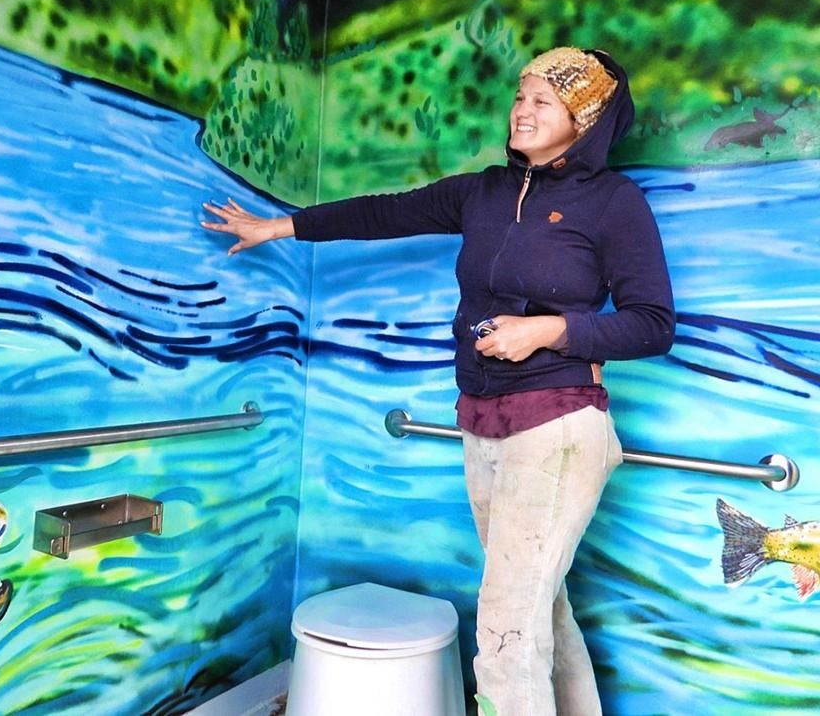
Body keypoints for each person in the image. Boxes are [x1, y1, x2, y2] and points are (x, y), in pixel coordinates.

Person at [201, 47, 675, 716]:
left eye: (543, 100)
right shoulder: (481, 192)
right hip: (482, 423)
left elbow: (653, 324)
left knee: (506, 636)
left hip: (559, 427)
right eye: (520, 95)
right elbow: (383, 214)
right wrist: (279, 226)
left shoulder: (611, 203)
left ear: (584, 118)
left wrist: (548, 331)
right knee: (541, 613)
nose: (522, 109)